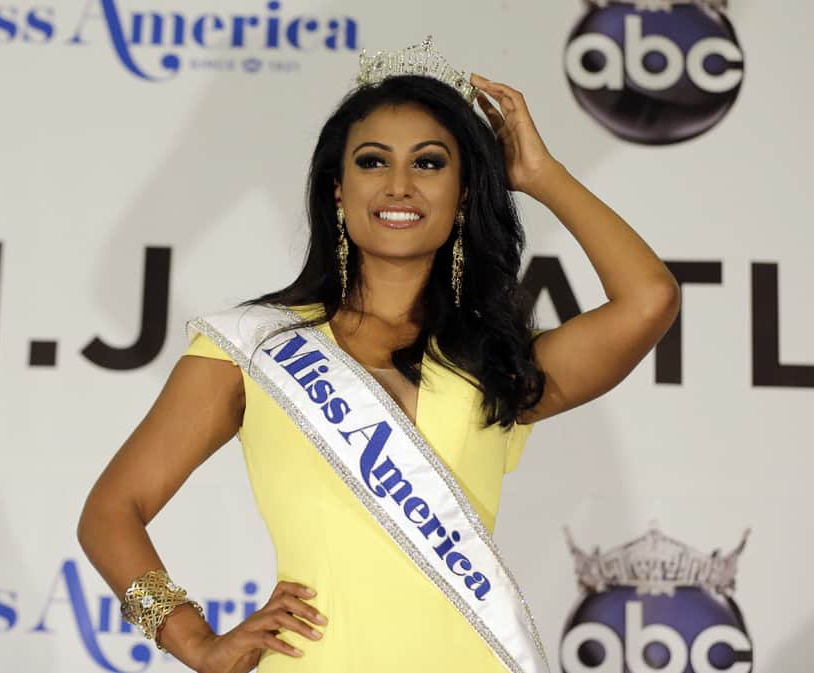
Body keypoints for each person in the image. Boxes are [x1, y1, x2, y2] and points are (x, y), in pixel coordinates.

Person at [77, 37, 680, 673]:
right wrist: (193, 640)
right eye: (372, 162)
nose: (399, 185)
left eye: (428, 164)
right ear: (337, 190)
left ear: (466, 193)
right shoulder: (254, 348)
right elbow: (111, 512)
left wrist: (539, 176)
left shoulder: (493, 360)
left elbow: (650, 300)